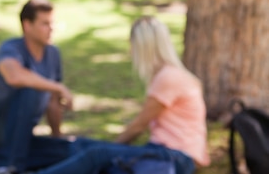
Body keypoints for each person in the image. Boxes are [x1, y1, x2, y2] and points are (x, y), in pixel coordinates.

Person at [36, 16, 211, 174]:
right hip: (168, 154)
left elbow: (138, 126)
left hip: (176, 158)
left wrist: (109, 149)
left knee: (98, 154)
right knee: (83, 146)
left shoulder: (168, 78)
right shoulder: (170, 75)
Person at [0, 0, 76, 174]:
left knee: (67, 150)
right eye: (45, 24)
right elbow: (14, 76)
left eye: (52, 23)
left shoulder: (53, 53)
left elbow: (53, 102)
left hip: (22, 135)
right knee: (30, 89)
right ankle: (7, 165)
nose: (51, 29)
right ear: (27, 25)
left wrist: (56, 136)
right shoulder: (10, 48)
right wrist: (58, 87)